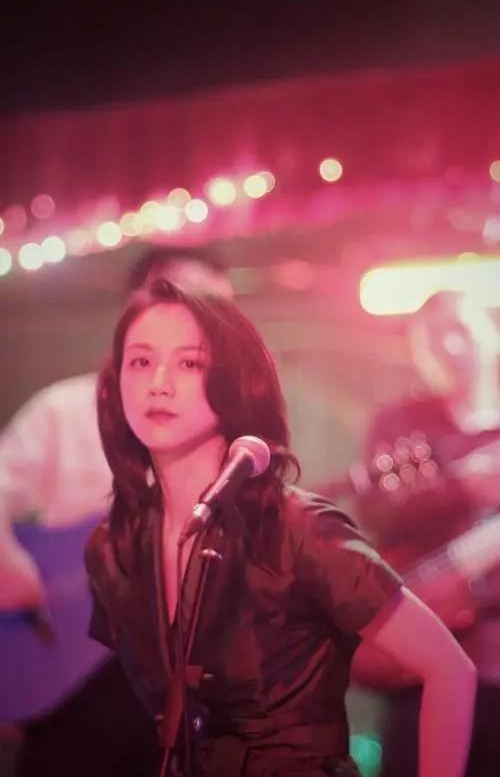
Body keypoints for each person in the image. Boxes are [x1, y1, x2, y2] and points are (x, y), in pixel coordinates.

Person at [85, 278, 476, 777]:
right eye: (141, 361)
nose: (158, 383)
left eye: (189, 363)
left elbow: (448, 668)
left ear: (233, 380)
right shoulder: (114, 547)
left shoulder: (298, 528)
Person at [0, 244, 233, 777]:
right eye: (186, 299)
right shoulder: (66, 410)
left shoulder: (232, 436)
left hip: (186, 692)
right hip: (73, 693)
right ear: (138, 307)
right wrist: (9, 563)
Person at [351, 290, 500, 777]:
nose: (450, 347)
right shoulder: (400, 424)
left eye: (461, 331)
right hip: (418, 669)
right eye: (432, 339)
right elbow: (374, 512)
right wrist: (461, 486)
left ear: (491, 335)